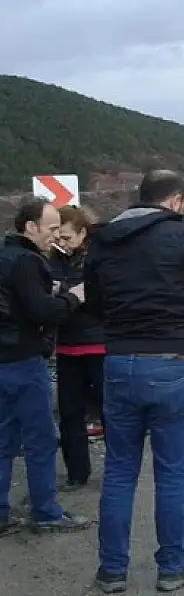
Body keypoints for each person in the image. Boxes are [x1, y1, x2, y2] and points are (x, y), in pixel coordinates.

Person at [84, 170, 184, 593]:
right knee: (170, 474)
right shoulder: (182, 236)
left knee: (118, 471)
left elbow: (94, 305)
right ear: (177, 200)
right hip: (171, 362)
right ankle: (172, 567)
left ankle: (111, 571)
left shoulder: (104, 240)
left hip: (117, 364)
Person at [0, 197, 92, 535]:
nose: (55, 236)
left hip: (3, 360)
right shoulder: (27, 261)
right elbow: (42, 312)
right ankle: (46, 512)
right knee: (40, 439)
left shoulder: (4, 255)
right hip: (24, 360)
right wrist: (73, 297)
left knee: (3, 439)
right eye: (51, 229)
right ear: (30, 228)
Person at [49, 206, 105, 491]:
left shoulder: (99, 256)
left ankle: (119, 471)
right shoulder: (53, 258)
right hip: (67, 347)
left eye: (67, 237)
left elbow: (99, 295)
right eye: (58, 237)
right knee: (70, 413)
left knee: (111, 411)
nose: (62, 242)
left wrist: (69, 295)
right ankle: (76, 473)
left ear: (83, 233)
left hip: (98, 346)